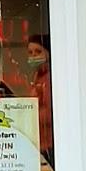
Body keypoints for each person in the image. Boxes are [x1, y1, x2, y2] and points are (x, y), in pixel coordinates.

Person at [27, 34, 54, 163]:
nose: (33, 56)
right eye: (30, 52)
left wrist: (30, 114)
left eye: (38, 52)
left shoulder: (50, 78)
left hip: (49, 144)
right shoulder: (37, 76)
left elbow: (51, 114)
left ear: (48, 53)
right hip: (40, 142)